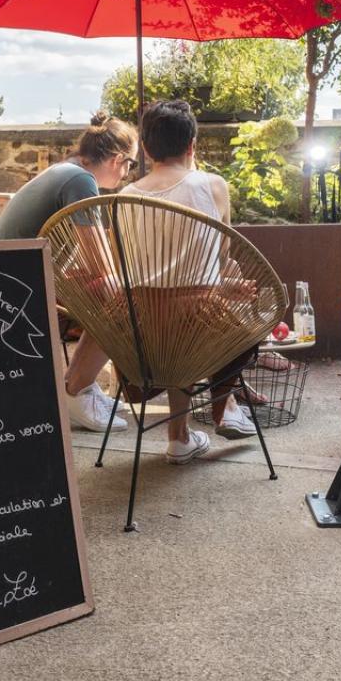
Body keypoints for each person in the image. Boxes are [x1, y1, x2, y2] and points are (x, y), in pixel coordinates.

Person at [120, 99, 260, 464]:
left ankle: (179, 437)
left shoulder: (124, 197)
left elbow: (146, 269)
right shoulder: (211, 185)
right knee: (225, 322)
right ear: (192, 145)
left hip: (137, 330)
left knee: (178, 314)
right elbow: (222, 255)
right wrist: (223, 286)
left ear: (146, 149)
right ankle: (222, 405)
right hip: (197, 329)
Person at [0, 110, 138, 433]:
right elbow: (99, 259)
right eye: (131, 164)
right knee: (125, 301)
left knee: (112, 290)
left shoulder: (65, 172)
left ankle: (79, 387)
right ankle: (74, 392)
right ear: (117, 159)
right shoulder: (80, 181)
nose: (128, 174)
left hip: (10, 275)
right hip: (20, 285)